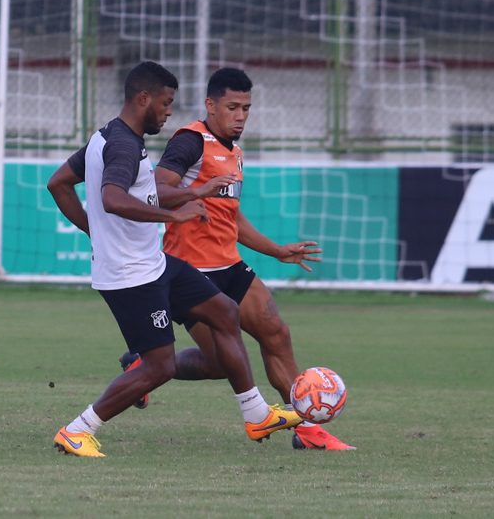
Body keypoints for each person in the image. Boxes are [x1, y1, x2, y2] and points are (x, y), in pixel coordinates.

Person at [46, 61, 302, 457]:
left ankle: (256, 414)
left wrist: (96, 231)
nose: (168, 112)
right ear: (143, 98)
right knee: (159, 366)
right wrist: (173, 215)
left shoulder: (107, 136)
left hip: (153, 262)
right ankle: (78, 429)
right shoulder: (124, 145)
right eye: (165, 104)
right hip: (131, 274)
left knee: (224, 312)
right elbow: (112, 199)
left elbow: (58, 183)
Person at [128, 67, 355, 451]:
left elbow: (231, 217)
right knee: (220, 364)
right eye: (232, 107)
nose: (240, 116)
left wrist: (277, 250)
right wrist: (196, 192)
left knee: (277, 333)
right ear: (211, 105)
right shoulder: (189, 142)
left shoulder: (234, 152)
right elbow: (157, 189)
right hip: (191, 274)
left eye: (246, 108)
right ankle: (142, 366)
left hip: (230, 266)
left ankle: (305, 427)